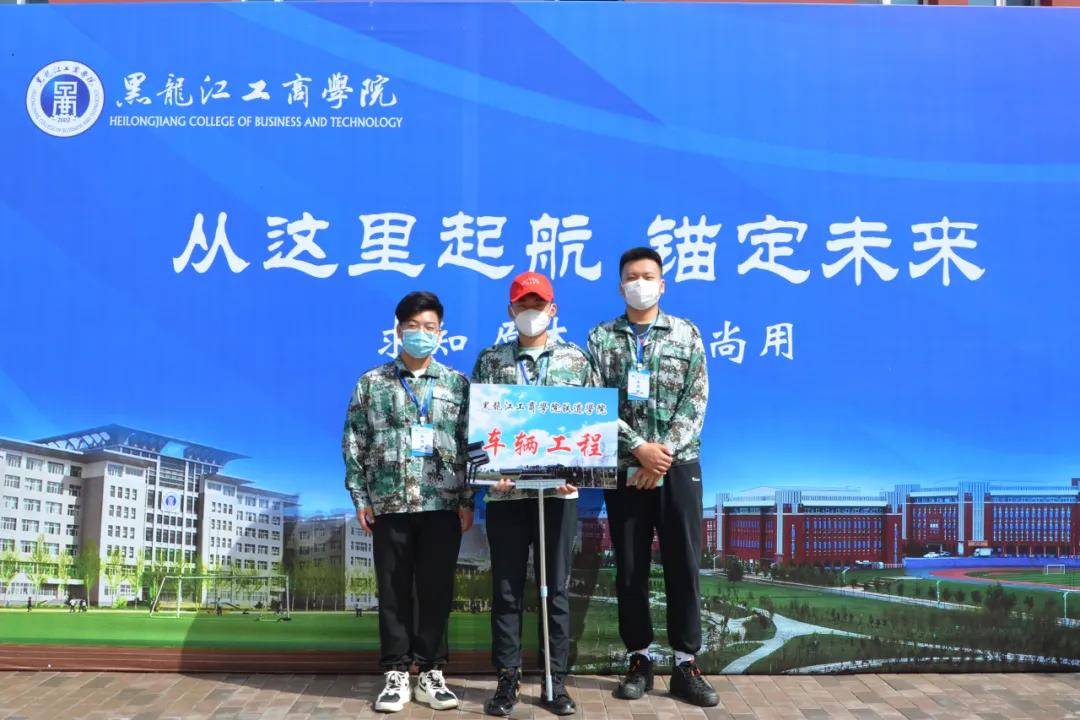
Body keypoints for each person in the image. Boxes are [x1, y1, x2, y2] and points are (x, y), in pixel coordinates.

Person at [587, 247, 718, 707]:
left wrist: (660, 458)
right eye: (631, 277)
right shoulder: (601, 338)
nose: (639, 283)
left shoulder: (686, 333)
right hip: (627, 469)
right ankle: (639, 659)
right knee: (630, 568)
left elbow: (696, 400)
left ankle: (686, 664)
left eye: (647, 276)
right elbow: (596, 403)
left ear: (662, 285)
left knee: (684, 564)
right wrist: (638, 450)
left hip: (678, 467)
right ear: (620, 285)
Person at [343, 291, 473, 714]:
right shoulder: (372, 382)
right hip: (390, 503)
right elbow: (354, 441)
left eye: (429, 327)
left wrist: (466, 499)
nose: (421, 333)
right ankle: (396, 674)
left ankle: (432, 672)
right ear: (398, 331)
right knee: (394, 591)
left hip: (442, 503)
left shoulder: (457, 384)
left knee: (436, 591)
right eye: (413, 326)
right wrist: (361, 496)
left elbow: (470, 447)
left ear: (441, 333)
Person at [471, 272, 595, 717]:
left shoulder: (576, 360)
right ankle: (507, 679)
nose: (530, 311)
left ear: (552, 309)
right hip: (507, 497)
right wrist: (489, 475)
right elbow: (476, 426)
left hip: (558, 496)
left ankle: (554, 681)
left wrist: (578, 473)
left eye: (538, 304)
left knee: (555, 590)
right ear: (510, 311)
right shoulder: (491, 361)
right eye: (522, 304)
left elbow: (592, 423)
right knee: (506, 590)